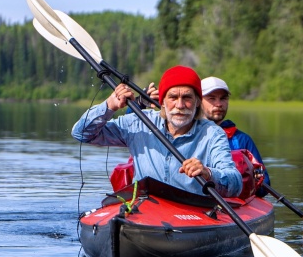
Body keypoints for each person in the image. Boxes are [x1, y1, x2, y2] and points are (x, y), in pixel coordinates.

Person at [72, 66, 243, 198]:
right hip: (144, 210)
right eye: (173, 97)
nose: (180, 105)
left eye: (187, 98)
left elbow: (235, 183)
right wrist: (109, 106)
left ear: (198, 101)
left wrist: (208, 173)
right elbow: (82, 134)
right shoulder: (139, 123)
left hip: (192, 210)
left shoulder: (213, 134)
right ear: (162, 102)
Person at [201, 76, 270, 196]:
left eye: (223, 98)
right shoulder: (187, 134)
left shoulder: (242, 140)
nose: (218, 104)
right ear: (198, 101)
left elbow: (265, 185)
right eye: (212, 98)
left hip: (232, 202)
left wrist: (243, 183)